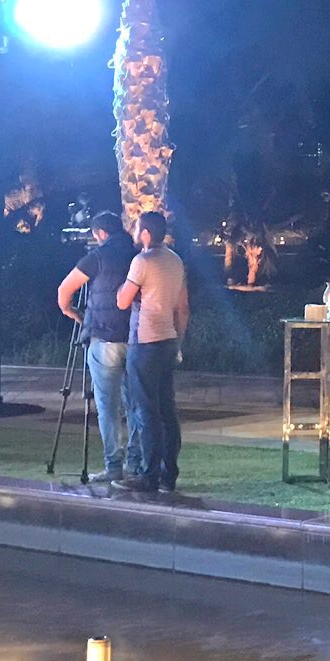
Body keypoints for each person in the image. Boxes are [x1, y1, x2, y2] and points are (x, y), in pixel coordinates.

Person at [57, 212, 141, 486]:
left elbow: (64, 290)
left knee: (108, 407)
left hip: (103, 338)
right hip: (135, 338)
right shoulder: (138, 255)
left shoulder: (97, 257)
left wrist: (73, 313)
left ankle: (113, 466)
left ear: (100, 233)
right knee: (135, 405)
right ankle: (135, 464)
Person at [120, 211, 189, 493]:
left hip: (145, 341)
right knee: (167, 411)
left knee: (145, 411)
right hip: (168, 340)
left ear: (146, 233)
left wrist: (127, 288)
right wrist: (178, 342)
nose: (134, 233)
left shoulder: (142, 261)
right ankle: (168, 475)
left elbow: (122, 301)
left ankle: (148, 475)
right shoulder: (176, 261)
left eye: (137, 229)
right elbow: (183, 309)